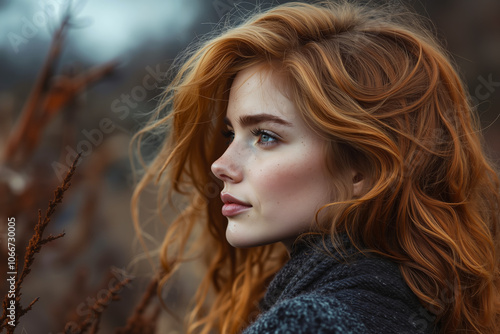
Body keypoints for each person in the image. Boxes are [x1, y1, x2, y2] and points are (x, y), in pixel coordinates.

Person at [131, 1, 500, 333]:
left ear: (362, 169)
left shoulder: (310, 323)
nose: (220, 165)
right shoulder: (423, 303)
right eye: (231, 133)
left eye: (265, 136)